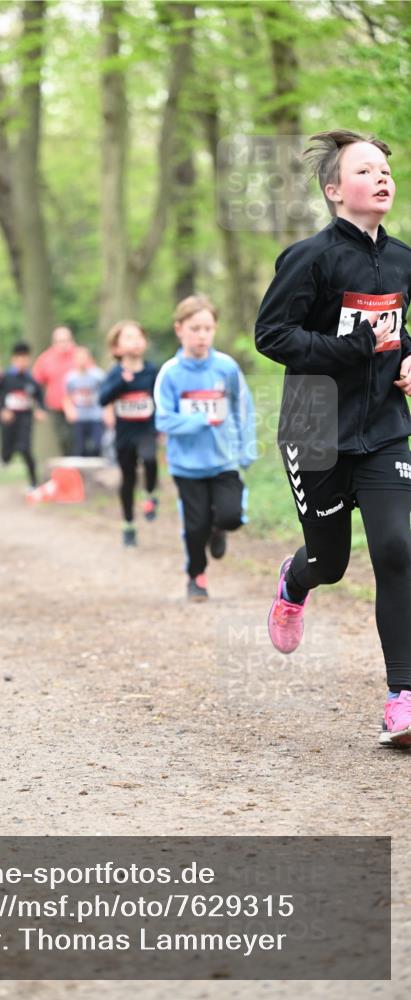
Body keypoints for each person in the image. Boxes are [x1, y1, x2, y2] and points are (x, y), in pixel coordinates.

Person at [255, 129, 411, 748]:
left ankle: (402, 696)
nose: (381, 178)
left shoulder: (402, 259)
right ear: (333, 191)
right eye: (365, 170)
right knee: (332, 562)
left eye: (385, 170)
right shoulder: (310, 257)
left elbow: (402, 330)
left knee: (397, 549)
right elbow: (273, 335)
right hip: (314, 421)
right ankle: (294, 582)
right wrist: (352, 349)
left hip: (382, 426)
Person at [155, 295, 257, 599]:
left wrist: (246, 448)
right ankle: (196, 576)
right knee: (194, 526)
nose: (202, 335)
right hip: (187, 465)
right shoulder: (170, 373)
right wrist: (199, 420)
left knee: (230, 516)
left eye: (208, 328)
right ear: (179, 329)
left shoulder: (226, 367)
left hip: (224, 460)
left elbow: (243, 409)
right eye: (195, 328)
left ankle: (219, 528)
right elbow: (163, 420)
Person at [99, 320, 159, 546]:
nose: (135, 341)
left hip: (147, 430)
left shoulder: (152, 370)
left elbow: (160, 399)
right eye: (128, 337)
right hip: (124, 434)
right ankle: (128, 524)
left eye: (138, 336)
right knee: (128, 478)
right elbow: (102, 399)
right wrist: (120, 384)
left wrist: (161, 425)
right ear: (116, 348)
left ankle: (151, 495)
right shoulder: (115, 374)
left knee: (151, 460)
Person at [0, 341, 46, 489]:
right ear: (13, 360)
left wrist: (40, 410)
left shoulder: (32, 380)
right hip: (9, 420)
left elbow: (39, 398)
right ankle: (4, 459)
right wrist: (2, 410)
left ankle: (34, 482)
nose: (22, 362)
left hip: (25, 419)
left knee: (25, 449)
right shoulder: (6, 378)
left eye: (25, 359)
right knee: (7, 450)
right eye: (19, 359)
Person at [32, 326, 78, 456]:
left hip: (79, 406)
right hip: (56, 406)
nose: (63, 344)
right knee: (63, 438)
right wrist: (38, 407)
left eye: (66, 340)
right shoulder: (45, 359)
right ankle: (68, 464)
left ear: (72, 340)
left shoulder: (79, 355)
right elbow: (36, 385)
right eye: (59, 341)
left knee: (79, 439)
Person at [64, 347, 105, 457]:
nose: (81, 361)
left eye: (84, 358)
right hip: (79, 417)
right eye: (79, 358)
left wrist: (106, 412)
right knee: (79, 448)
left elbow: (106, 394)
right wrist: (69, 410)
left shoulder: (98, 375)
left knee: (97, 446)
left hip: (95, 416)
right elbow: (67, 396)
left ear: (89, 359)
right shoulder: (70, 377)